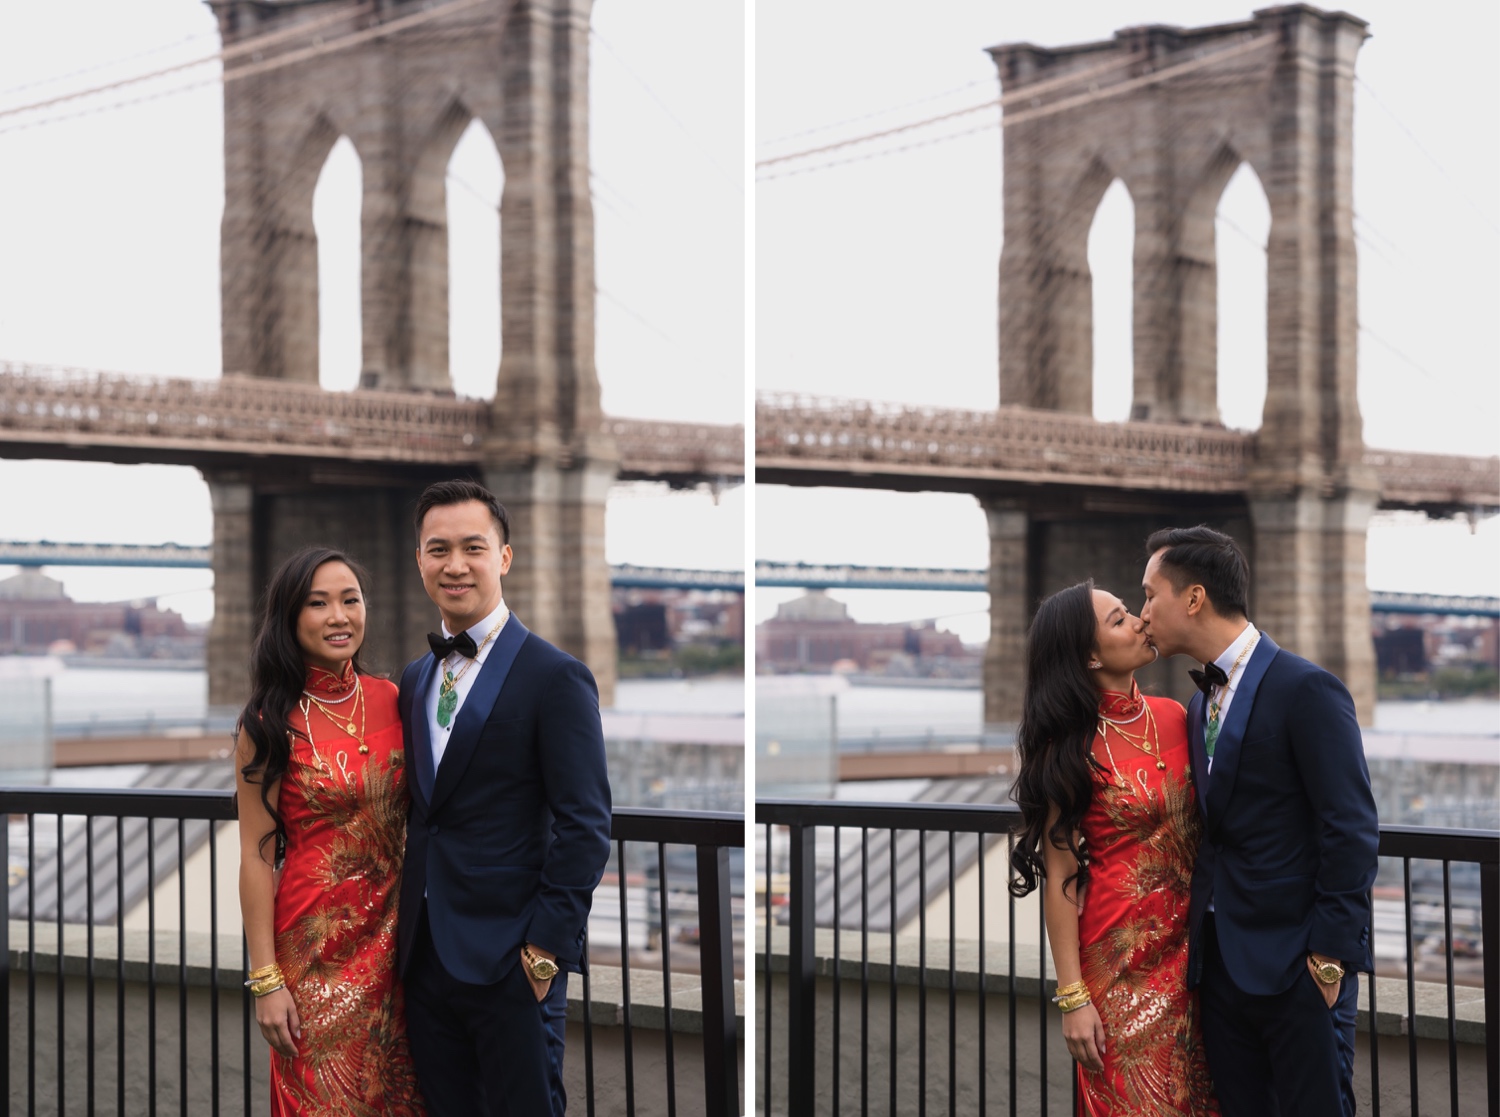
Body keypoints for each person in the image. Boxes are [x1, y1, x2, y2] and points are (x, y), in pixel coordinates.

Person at [1140, 525, 1379, 1117]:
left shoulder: (1307, 688)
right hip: (1220, 973)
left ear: (1193, 598)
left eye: (1149, 594)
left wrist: (1329, 959)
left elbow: (1350, 827)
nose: (1142, 611)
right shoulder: (1198, 705)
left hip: (1297, 968)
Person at [396, 479, 612, 1117]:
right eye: (438, 550)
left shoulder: (556, 676)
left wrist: (544, 952)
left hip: (511, 963)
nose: (454, 565)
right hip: (425, 959)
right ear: (420, 561)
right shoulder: (415, 676)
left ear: (504, 557)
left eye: (473, 548)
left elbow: (586, 826)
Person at [1009, 580, 1218, 1116]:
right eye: (1121, 619)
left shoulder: (1178, 714)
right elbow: (1059, 879)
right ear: (1090, 655)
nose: (1142, 622)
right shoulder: (1066, 750)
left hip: (1202, 960)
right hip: (1122, 966)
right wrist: (1073, 998)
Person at [234, 546, 426, 1116]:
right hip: (316, 953)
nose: (339, 616)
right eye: (318, 604)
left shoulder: (397, 698)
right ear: (291, 618)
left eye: (350, 600)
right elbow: (253, 854)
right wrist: (266, 980)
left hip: (402, 951)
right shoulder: (267, 722)